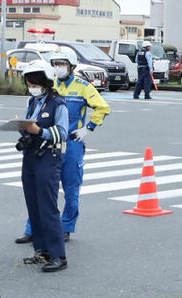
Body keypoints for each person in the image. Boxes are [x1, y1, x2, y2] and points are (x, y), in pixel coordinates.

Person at [14, 51, 110, 245]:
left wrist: (89, 128)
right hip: (46, 142)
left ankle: (65, 227)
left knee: (71, 188)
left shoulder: (83, 87)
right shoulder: (49, 84)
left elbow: (102, 107)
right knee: (41, 189)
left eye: (62, 63)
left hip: (71, 142)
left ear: (72, 66)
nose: (58, 67)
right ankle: (32, 228)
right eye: (55, 63)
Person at [17, 60, 69, 273]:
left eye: (35, 82)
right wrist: (22, 126)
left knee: (47, 207)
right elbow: (31, 124)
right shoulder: (33, 101)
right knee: (33, 205)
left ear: (46, 82)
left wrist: (40, 131)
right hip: (30, 155)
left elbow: (63, 133)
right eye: (29, 83)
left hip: (48, 156)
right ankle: (42, 250)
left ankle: (58, 256)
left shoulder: (58, 104)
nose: (32, 86)